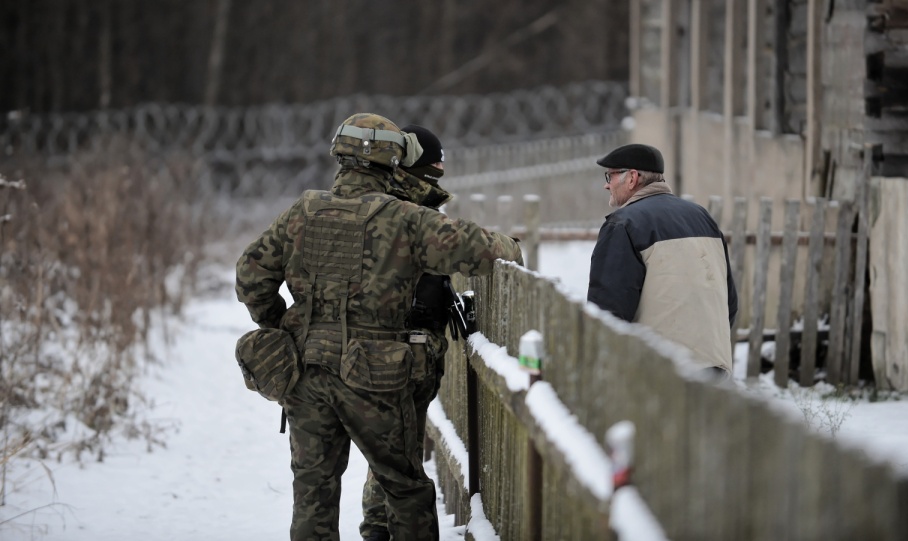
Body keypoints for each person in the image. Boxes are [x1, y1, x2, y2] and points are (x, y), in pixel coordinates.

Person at [235, 113, 523, 541]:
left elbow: (250, 276)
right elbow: (491, 250)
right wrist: (512, 244)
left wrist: (283, 326)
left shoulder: (303, 210)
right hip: (375, 374)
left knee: (313, 491)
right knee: (404, 488)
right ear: (394, 160)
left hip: (305, 370)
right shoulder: (404, 217)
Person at [358, 124, 455, 541]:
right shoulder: (399, 215)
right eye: (430, 172)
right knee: (396, 458)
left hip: (402, 349)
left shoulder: (399, 210)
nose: (435, 180)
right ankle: (380, 529)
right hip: (397, 350)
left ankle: (378, 528)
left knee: (389, 453)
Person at [586, 143, 738, 377]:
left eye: (611, 175)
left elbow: (608, 313)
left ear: (632, 178)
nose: (607, 184)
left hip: (660, 376)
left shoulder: (623, 225)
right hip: (715, 372)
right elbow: (729, 302)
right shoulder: (702, 217)